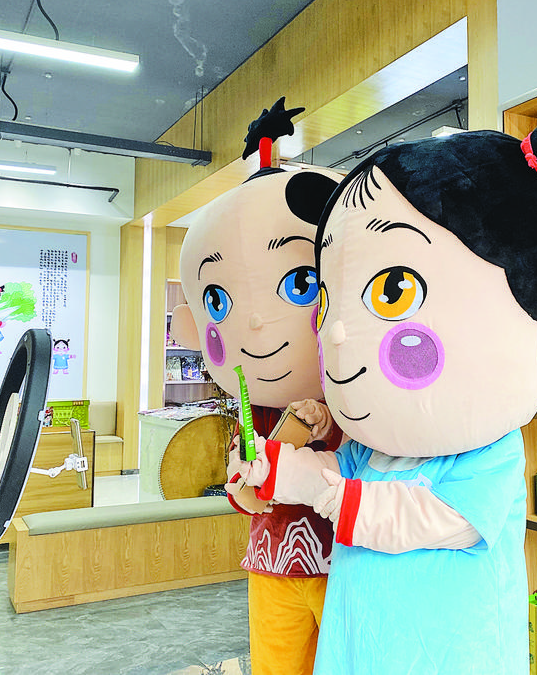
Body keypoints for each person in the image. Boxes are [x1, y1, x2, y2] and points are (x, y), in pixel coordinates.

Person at [239, 89, 537, 674]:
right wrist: (277, 471)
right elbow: (338, 473)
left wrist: (332, 495)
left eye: (394, 292)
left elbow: (433, 517)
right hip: (359, 647)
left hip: (449, 655)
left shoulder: (492, 452)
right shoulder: (369, 446)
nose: (338, 333)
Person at [170, 98, 343, 675]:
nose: (256, 325)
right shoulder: (252, 411)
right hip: (270, 563)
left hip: (345, 562)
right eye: (219, 301)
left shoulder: (359, 403)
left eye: (300, 284)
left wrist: (320, 428)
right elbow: (241, 487)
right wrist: (251, 480)